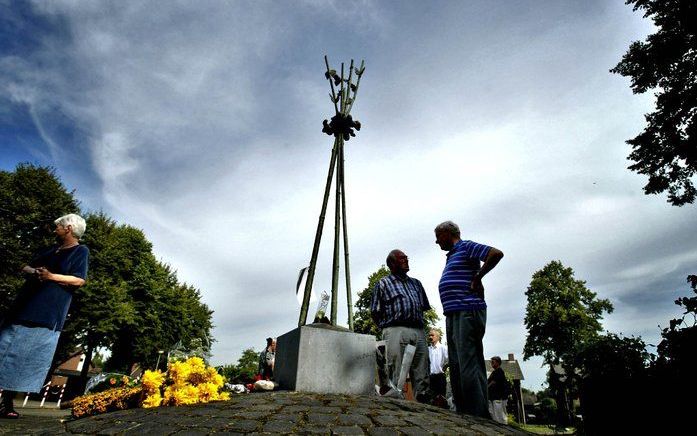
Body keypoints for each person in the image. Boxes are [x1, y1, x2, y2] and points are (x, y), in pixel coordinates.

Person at [0, 214, 89, 419]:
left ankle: (6, 402)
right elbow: (25, 266)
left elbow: (78, 280)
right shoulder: (50, 250)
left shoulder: (80, 251)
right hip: (23, 307)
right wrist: (35, 271)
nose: (54, 229)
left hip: (47, 313)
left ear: (68, 228)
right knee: (4, 349)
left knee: (24, 358)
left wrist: (51, 277)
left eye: (57, 226)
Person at [434, 220, 503, 418]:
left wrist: (478, 277)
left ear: (447, 233)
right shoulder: (452, 255)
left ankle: (478, 413)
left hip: (468, 310)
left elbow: (495, 253)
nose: (436, 241)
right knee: (456, 363)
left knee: (468, 361)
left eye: (438, 236)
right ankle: (464, 411)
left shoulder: (466, 246)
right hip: (454, 313)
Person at [371, 249, 431, 403]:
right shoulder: (383, 283)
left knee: (422, 368)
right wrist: (387, 330)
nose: (406, 260)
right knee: (394, 369)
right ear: (392, 263)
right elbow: (375, 311)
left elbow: (423, 306)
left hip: (418, 330)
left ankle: (423, 402)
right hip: (395, 330)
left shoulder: (416, 283)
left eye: (406, 258)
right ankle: (395, 403)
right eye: (401, 258)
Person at [428, 329, 448, 402]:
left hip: (440, 377)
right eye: (429, 335)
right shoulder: (428, 349)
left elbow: (449, 359)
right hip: (430, 377)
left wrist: (444, 367)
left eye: (432, 335)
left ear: (437, 337)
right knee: (431, 399)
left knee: (441, 399)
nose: (430, 337)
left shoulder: (443, 348)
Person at [487, 356, 509, 424]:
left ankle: (503, 425)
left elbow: (494, 382)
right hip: (492, 396)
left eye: (493, 361)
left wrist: (486, 387)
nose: (492, 362)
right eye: (491, 361)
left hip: (499, 396)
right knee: (493, 412)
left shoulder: (499, 371)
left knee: (499, 412)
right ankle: (496, 425)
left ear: (498, 362)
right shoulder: (493, 372)